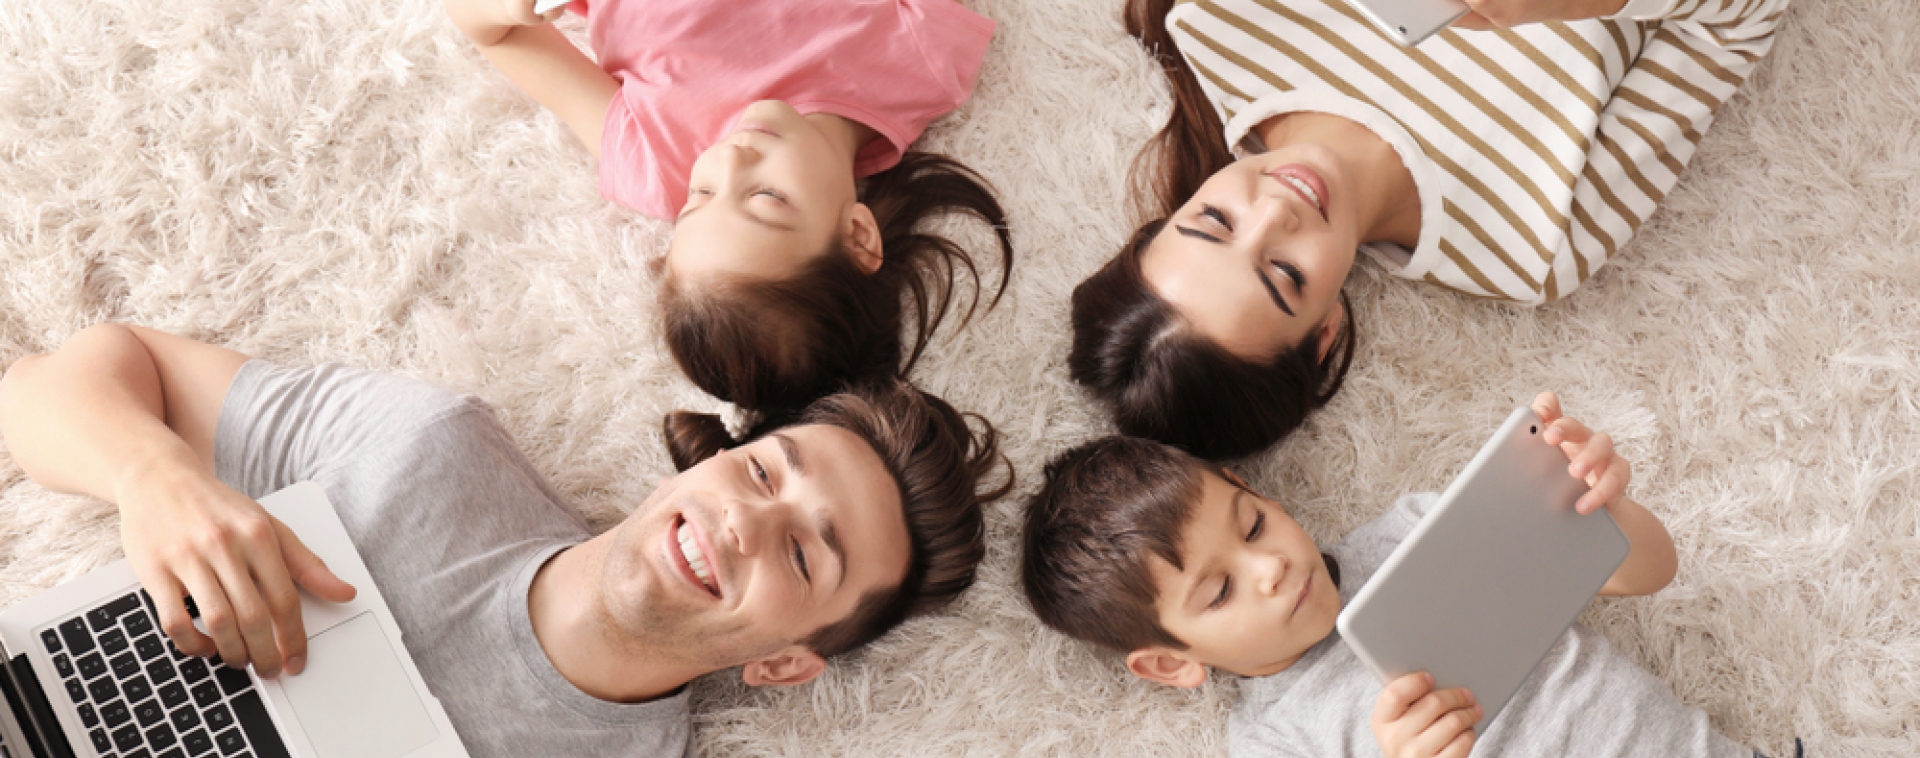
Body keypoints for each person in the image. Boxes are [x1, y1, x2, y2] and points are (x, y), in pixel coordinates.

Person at [0, 323, 1007, 757]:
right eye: (758, 470)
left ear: (784, 660)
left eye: (803, 554)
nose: (744, 521)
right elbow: (51, 386)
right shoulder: (431, 449)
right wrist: (155, 475)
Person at [1070, 0, 1791, 460]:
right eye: (1283, 275)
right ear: (1324, 331)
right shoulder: (1531, 247)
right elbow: (1744, 19)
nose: (1276, 212)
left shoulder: (1224, 20)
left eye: (1214, 221)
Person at [1020, 394, 1795, 757]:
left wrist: (1596, 497)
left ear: (1257, 490)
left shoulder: (1419, 530)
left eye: (1252, 524)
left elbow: (1648, 572)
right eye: (1219, 591)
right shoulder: (1274, 740)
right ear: (1172, 661)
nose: (1269, 567)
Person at [445, 0, 1015, 415]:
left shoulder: (658, 163)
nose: (731, 160)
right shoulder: (918, 58)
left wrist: (504, 7)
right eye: (766, 198)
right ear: (859, 235)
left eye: (701, 198)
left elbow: (490, 35)